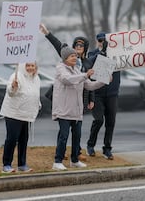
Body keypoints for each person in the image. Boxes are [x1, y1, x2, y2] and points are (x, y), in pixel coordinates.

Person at [39, 23, 95, 161]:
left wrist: (91, 99)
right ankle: (61, 152)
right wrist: (47, 33)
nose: (77, 49)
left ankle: (76, 153)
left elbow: (89, 81)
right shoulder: (67, 56)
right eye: (76, 45)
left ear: (85, 48)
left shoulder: (87, 63)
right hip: (64, 97)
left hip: (79, 98)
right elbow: (57, 44)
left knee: (77, 129)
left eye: (81, 46)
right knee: (64, 128)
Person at [52, 45, 105, 171]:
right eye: (72, 56)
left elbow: (90, 86)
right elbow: (68, 80)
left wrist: (104, 80)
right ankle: (57, 161)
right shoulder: (60, 69)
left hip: (76, 111)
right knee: (63, 136)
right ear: (65, 58)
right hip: (64, 111)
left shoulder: (77, 70)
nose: (75, 58)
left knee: (77, 136)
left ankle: (74, 160)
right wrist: (86, 75)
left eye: (76, 56)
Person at [0, 62, 41, 173]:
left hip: (26, 115)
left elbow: (35, 94)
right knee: (12, 139)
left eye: (33, 66)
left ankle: (22, 164)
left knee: (23, 140)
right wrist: (13, 87)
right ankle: (6, 164)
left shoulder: (36, 79)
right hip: (14, 114)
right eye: (28, 65)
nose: (30, 68)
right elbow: (10, 93)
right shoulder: (15, 76)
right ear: (23, 66)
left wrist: (37, 105)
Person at [86, 32, 121, 160]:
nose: (102, 43)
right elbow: (89, 62)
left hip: (112, 93)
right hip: (98, 93)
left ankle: (107, 148)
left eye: (105, 41)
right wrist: (102, 53)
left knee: (110, 122)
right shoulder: (93, 53)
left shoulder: (117, 55)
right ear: (97, 41)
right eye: (100, 41)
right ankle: (90, 145)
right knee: (98, 120)